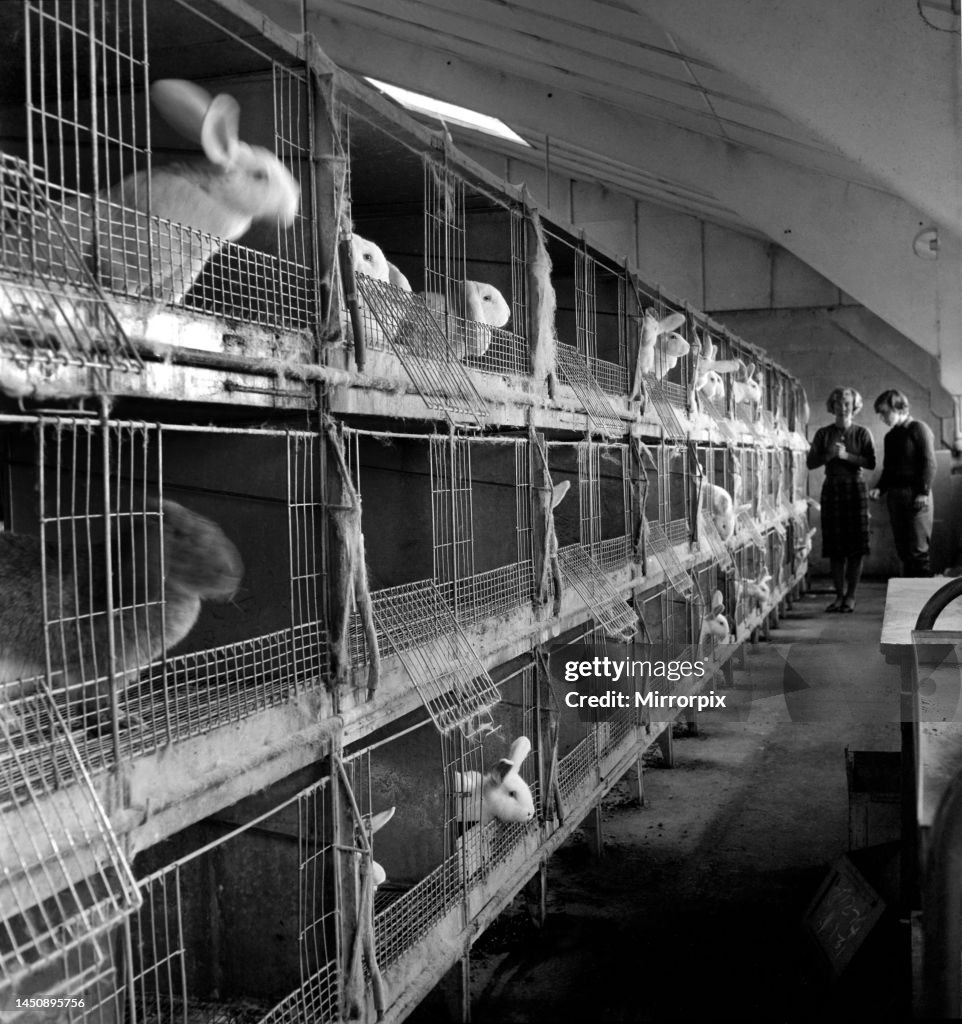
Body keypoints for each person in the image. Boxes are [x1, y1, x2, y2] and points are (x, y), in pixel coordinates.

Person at [806, 387, 877, 612]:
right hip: (833, 487)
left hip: (855, 488)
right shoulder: (823, 433)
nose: (843, 408)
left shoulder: (863, 433)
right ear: (832, 406)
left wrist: (847, 456)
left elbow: (871, 462)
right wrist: (830, 455)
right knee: (835, 547)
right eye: (839, 403)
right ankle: (838, 595)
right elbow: (811, 462)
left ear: (854, 407)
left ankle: (851, 596)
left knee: (856, 546)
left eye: (847, 404)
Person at [868, 389, 936, 577]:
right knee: (904, 551)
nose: (882, 417)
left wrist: (923, 491)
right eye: (880, 414)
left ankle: (925, 602)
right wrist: (879, 489)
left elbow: (929, 462)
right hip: (897, 497)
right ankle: (910, 601)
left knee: (918, 551)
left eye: (884, 412)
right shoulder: (891, 437)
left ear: (898, 407)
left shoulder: (918, 428)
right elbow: (888, 470)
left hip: (916, 497)